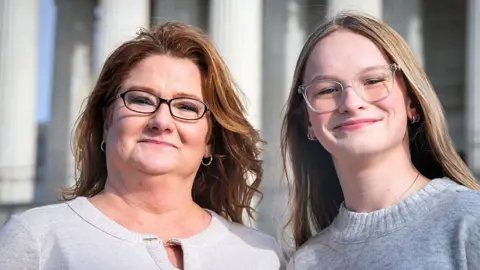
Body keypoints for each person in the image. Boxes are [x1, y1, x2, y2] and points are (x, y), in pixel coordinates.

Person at [0, 22, 285, 269]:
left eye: (186, 106)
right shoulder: (36, 238)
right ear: (107, 119)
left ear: (210, 140)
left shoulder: (261, 256)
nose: (162, 121)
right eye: (141, 100)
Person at [282, 12, 480, 269]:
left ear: (412, 102)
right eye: (327, 90)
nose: (352, 103)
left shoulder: (470, 221)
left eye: (373, 80)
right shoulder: (305, 262)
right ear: (308, 121)